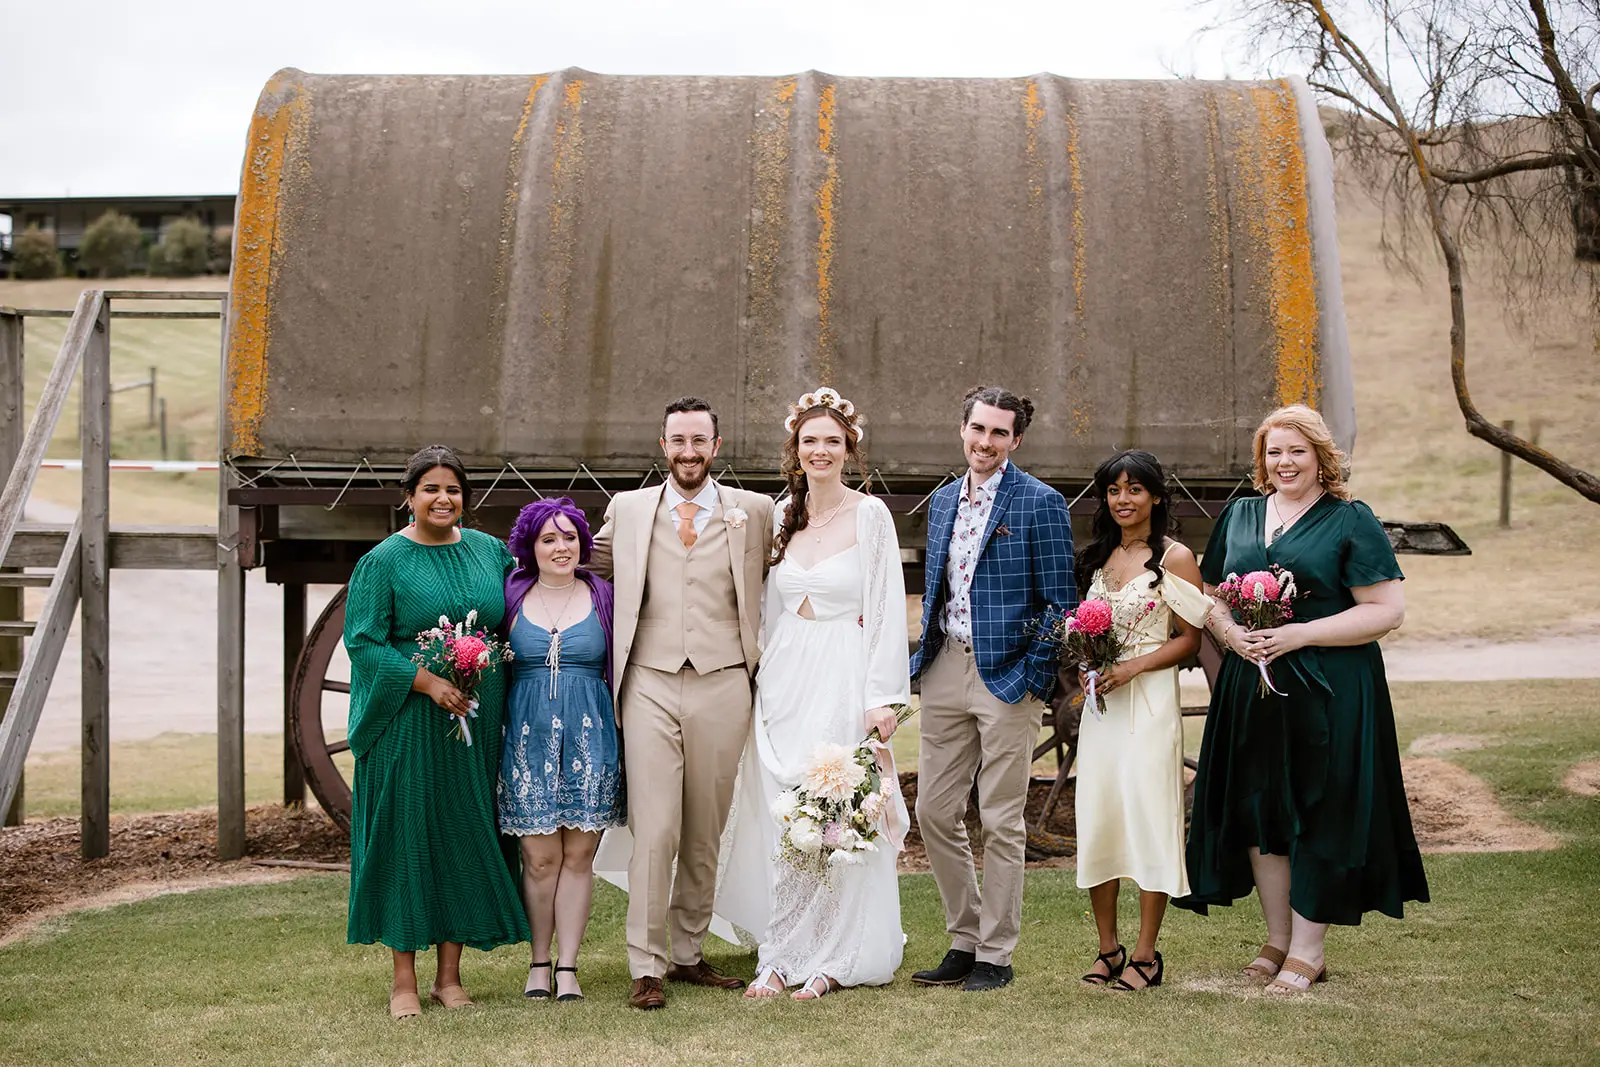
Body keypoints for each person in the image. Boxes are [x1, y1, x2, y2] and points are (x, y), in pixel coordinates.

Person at [1177, 404, 1428, 994]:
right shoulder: (1240, 514)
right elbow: (1212, 594)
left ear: (1321, 458)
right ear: (1262, 460)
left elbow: (1386, 611)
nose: (1284, 462)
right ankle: (1277, 938)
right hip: (1252, 685)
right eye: (1274, 451)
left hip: (1330, 686)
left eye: (1297, 451)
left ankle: (1309, 948)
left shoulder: (1350, 520)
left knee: (1319, 808)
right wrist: (1230, 632)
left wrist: (1299, 634)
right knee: (1263, 810)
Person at [716, 387, 911, 1002]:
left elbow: (884, 610)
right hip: (783, 679)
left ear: (849, 449)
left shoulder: (871, 516)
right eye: (810, 441)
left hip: (843, 676)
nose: (820, 451)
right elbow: (764, 609)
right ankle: (777, 955)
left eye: (832, 441)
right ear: (794, 451)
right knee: (782, 817)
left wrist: (882, 697)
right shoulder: (780, 515)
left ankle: (835, 957)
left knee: (837, 811)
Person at [587, 397, 776, 1010]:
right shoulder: (630, 509)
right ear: (662, 445)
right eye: (678, 441)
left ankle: (690, 952)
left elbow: (792, 571)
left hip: (724, 680)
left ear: (716, 447)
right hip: (648, 680)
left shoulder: (754, 511)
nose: (689, 452)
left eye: (700, 441)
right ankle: (646, 962)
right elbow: (583, 564)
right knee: (656, 827)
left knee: (703, 828)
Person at [344, 445, 529, 1020]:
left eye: (452, 489)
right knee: (407, 836)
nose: (443, 498)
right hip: (408, 723)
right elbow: (364, 641)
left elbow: (517, 610)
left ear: (464, 499)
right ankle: (404, 980)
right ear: (409, 497)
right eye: (431, 489)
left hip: (475, 724)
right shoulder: (383, 562)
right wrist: (425, 682)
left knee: (463, 832)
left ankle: (450, 976)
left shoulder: (490, 552)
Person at [909, 386, 1076, 993]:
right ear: (963, 429)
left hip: (1009, 675)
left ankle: (996, 954)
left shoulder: (1041, 503)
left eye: (999, 433)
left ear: (1016, 441)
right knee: (932, 810)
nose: (986, 442)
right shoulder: (945, 498)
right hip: (946, 665)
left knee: (1002, 818)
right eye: (978, 429)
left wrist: (1034, 675)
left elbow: (1062, 603)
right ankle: (965, 935)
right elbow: (941, 589)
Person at [1071, 450, 1209, 991]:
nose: (1123, 500)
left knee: (1151, 818)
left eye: (1134, 489)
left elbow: (1189, 638)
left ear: (1155, 495)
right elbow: (1086, 628)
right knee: (1099, 818)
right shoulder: (1098, 557)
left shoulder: (1174, 558)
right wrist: (1088, 659)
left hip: (1150, 705)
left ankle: (1148, 955)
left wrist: (1132, 667)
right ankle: (1108, 949)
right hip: (1102, 710)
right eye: (1113, 490)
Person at [498, 497, 624, 1003]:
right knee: (539, 857)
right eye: (549, 538)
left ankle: (569, 966)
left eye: (569, 537)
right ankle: (538, 961)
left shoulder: (603, 595)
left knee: (579, 855)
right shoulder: (511, 593)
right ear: (531, 546)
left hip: (591, 734)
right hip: (526, 737)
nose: (561, 547)